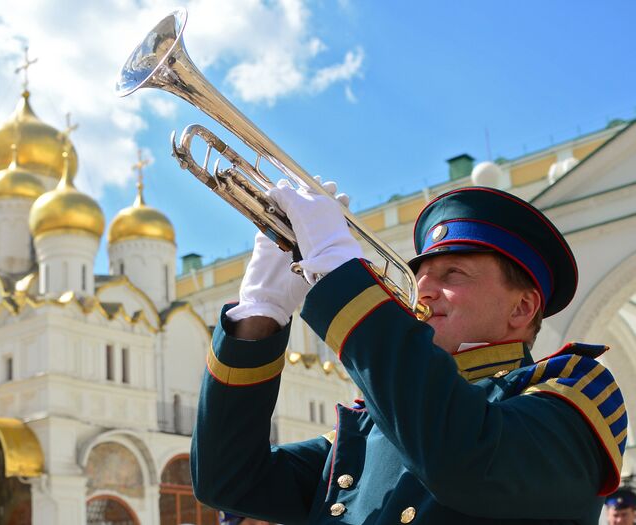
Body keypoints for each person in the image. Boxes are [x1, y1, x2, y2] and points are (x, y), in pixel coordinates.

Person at [190, 182, 627, 524]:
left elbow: (461, 457)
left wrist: (343, 276)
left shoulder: (574, 390)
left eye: (453, 272)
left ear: (522, 307)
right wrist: (260, 313)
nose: (424, 290)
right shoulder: (371, 425)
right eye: (421, 276)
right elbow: (229, 481)